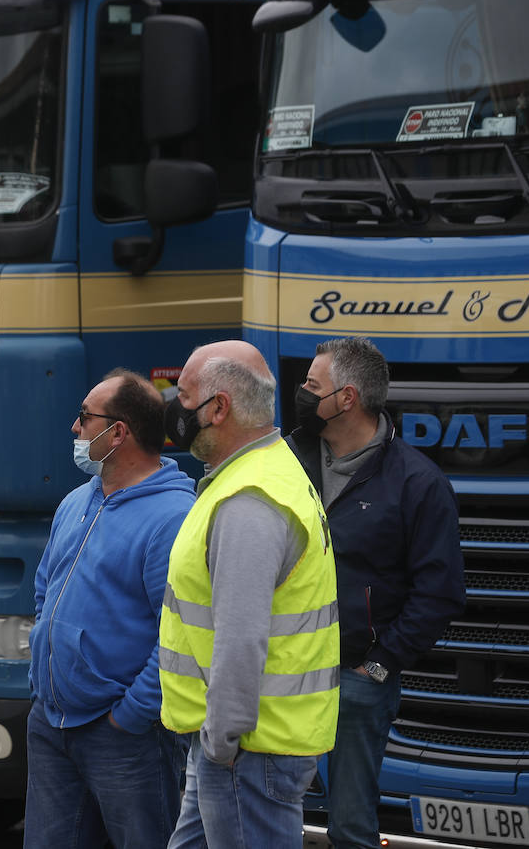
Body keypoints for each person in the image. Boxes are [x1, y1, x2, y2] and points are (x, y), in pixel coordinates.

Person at [156, 340, 339, 849]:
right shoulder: (264, 472)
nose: (176, 407)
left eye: (184, 395)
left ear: (218, 408)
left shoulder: (248, 501)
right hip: (235, 743)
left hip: (244, 749)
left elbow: (241, 638)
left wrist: (220, 743)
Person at [287, 337, 465, 849]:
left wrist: (381, 664)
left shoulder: (417, 482)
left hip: (356, 680)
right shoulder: (287, 461)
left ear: (347, 399)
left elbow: (440, 592)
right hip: (279, 671)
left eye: (312, 385)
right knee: (267, 813)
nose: (301, 393)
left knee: (349, 827)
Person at [25, 368, 196, 849]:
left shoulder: (173, 518)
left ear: (118, 431)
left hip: (124, 736)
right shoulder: (77, 500)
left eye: (84, 417)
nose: (74, 429)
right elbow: (45, 589)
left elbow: (180, 634)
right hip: (52, 722)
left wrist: (132, 715)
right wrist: (43, 679)